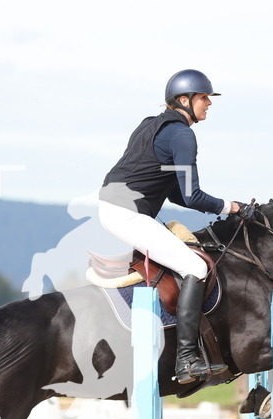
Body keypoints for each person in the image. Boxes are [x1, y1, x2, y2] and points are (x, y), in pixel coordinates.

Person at [99, 69, 252, 384]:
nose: (209, 103)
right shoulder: (183, 135)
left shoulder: (150, 126)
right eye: (204, 97)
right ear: (185, 100)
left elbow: (177, 193)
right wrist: (232, 207)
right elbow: (193, 195)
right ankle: (186, 360)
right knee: (195, 267)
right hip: (127, 214)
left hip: (117, 208)